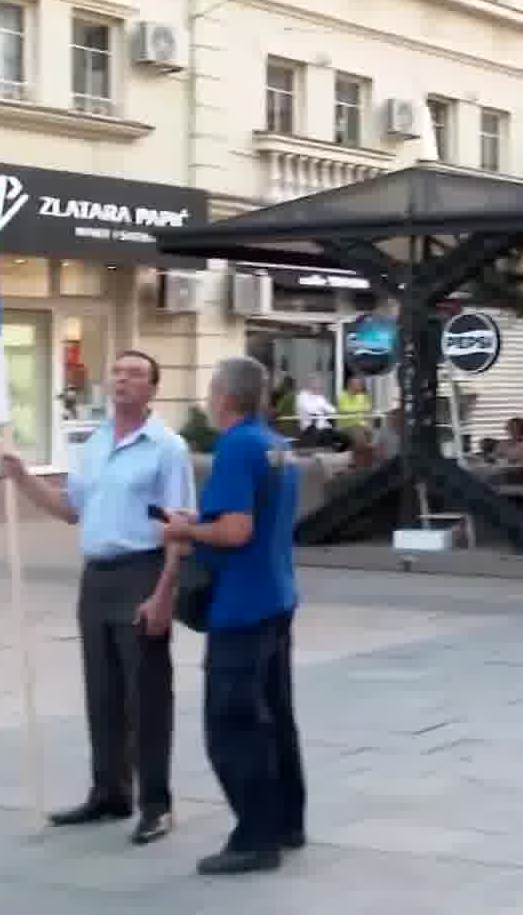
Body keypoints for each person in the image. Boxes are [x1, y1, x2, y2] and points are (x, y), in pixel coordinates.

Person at [0, 350, 193, 845]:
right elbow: (69, 509)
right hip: (98, 577)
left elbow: (178, 527)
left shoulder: (166, 448)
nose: (123, 380)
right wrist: (22, 478)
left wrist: (164, 592)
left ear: (152, 389)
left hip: (142, 572)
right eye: (118, 372)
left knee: (146, 694)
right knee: (102, 692)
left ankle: (156, 804)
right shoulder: (96, 441)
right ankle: (109, 792)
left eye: (135, 375)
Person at [159, 356, 306, 875]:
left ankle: (254, 838)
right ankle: (288, 821)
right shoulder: (277, 447)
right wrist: (201, 520)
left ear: (222, 398)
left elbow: (237, 530)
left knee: (233, 722)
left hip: (241, 606)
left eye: (209, 391)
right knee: (276, 716)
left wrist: (184, 532)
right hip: (277, 596)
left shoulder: (237, 447)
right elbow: (254, 519)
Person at [293, 376, 344, 451]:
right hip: (310, 430)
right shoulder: (302, 396)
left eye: (320, 385)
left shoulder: (320, 397)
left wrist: (340, 411)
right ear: (310, 384)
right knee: (329, 443)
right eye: (317, 384)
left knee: (346, 440)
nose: (320, 387)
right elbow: (310, 410)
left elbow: (332, 410)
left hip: (325, 428)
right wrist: (323, 409)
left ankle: (336, 454)